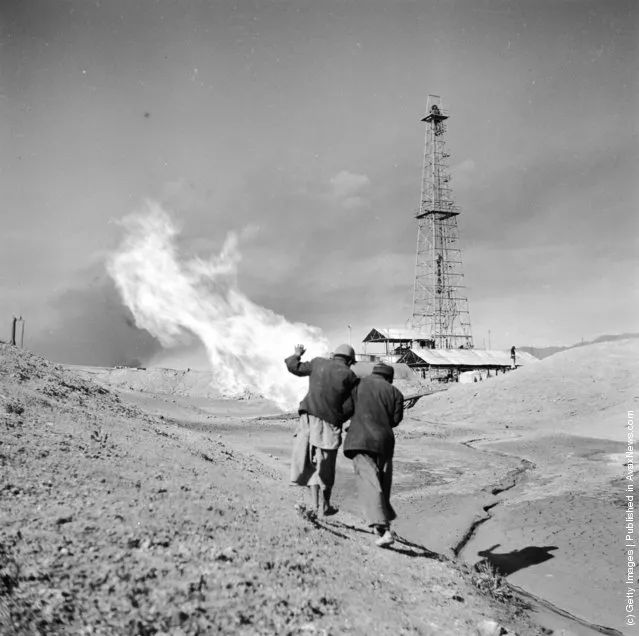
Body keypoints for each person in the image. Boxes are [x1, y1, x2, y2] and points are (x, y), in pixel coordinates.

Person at [285, 343, 359, 517]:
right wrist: (340, 418)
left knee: (309, 462)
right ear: (349, 360)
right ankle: (325, 504)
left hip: (308, 420)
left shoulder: (318, 363)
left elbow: (293, 367)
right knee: (326, 466)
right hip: (330, 424)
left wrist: (296, 354)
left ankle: (314, 505)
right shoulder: (350, 375)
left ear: (334, 355)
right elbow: (352, 405)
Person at [343, 363, 404, 547]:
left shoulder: (358, 385)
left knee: (369, 482)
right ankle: (382, 524)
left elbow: (346, 409)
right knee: (383, 483)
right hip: (384, 442)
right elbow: (395, 420)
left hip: (360, 440)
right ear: (389, 378)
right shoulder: (395, 393)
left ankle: (384, 529)